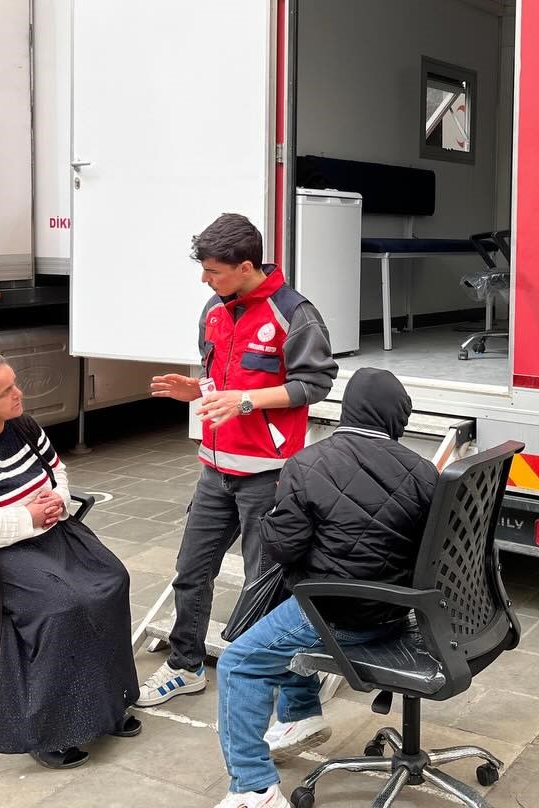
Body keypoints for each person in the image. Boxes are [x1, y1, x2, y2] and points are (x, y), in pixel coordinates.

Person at [211, 368, 438, 808]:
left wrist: (277, 509)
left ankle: (254, 789)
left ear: (347, 409)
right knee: (284, 606)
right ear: (398, 415)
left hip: (338, 614)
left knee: (240, 661)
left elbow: (281, 548)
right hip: (397, 611)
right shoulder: (424, 471)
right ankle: (300, 715)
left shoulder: (308, 463)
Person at [142, 214, 337, 712]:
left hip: (267, 477)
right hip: (214, 471)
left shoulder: (294, 314)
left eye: (213, 271)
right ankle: (185, 667)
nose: (205, 280)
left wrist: (246, 403)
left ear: (245, 265)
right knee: (190, 571)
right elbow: (219, 378)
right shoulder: (213, 309)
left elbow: (315, 384)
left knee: (262, 584)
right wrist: (199, 389)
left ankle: (263, 677)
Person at [0, 355, 141, 769]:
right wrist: (27, 518)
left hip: (49, 532)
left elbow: (57, 471)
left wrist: (57, 500)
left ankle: (107, 707)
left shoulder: (23, 426)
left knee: (111, 580)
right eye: (6, 390)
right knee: (63, 605)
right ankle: (50, 732)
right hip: (1, 553)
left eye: (15, 384)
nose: (18, 393)